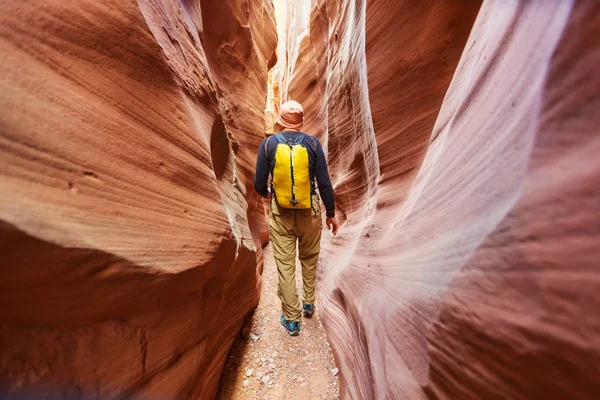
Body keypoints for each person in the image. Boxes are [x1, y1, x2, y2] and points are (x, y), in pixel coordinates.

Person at [254, 100, 339, 336]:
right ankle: (309, 304)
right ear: (301, 122)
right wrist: (330, 214)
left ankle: (292, 320)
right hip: (309, 213)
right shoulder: (312, 143)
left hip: (281, 213)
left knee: (285, 266)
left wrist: (269, 194)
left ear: (281, 120)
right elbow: (323, 183)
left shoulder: (268, 144)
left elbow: (259, 183)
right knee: (309, 259)